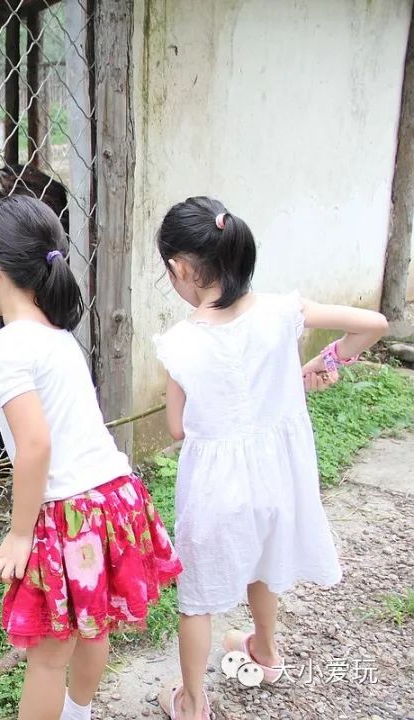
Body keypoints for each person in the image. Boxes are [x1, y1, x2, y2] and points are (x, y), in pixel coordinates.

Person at [0, 195, 182, 720]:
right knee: (94, 626)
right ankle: (79, 712)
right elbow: (0, 391)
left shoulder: (1, 347)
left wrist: (20, 532)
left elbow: (35, 445)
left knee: (46, 653)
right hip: (113, 498)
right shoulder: (56, 337)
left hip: (66, 512)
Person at [152, 196, 389, 719]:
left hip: (215, 492)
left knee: (196, 600)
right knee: (262, 563)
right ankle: (266, 650)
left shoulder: (178, 344)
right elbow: (373, 322)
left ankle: (192, 702)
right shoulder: (284, 312)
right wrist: (322, 362)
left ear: (180, 269)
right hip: (279, 481)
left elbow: (176, 427)